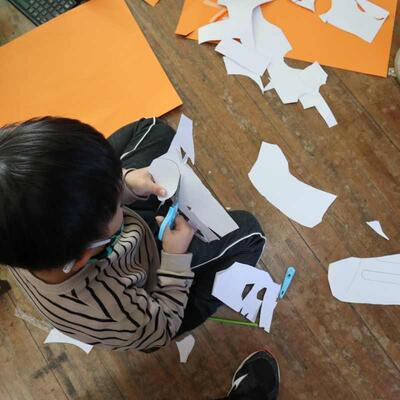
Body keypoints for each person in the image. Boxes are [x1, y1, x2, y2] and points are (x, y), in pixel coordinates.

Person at [0, 116, 265, 352]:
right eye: (115, 201)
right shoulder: (108, 308)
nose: (120, 183)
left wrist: (127, 183)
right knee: (249, 234)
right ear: (83, 255)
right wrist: (175, 257)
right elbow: (161, 328)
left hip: (115, 235)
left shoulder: (18, 229)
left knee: (154, 130)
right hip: (157, 295)